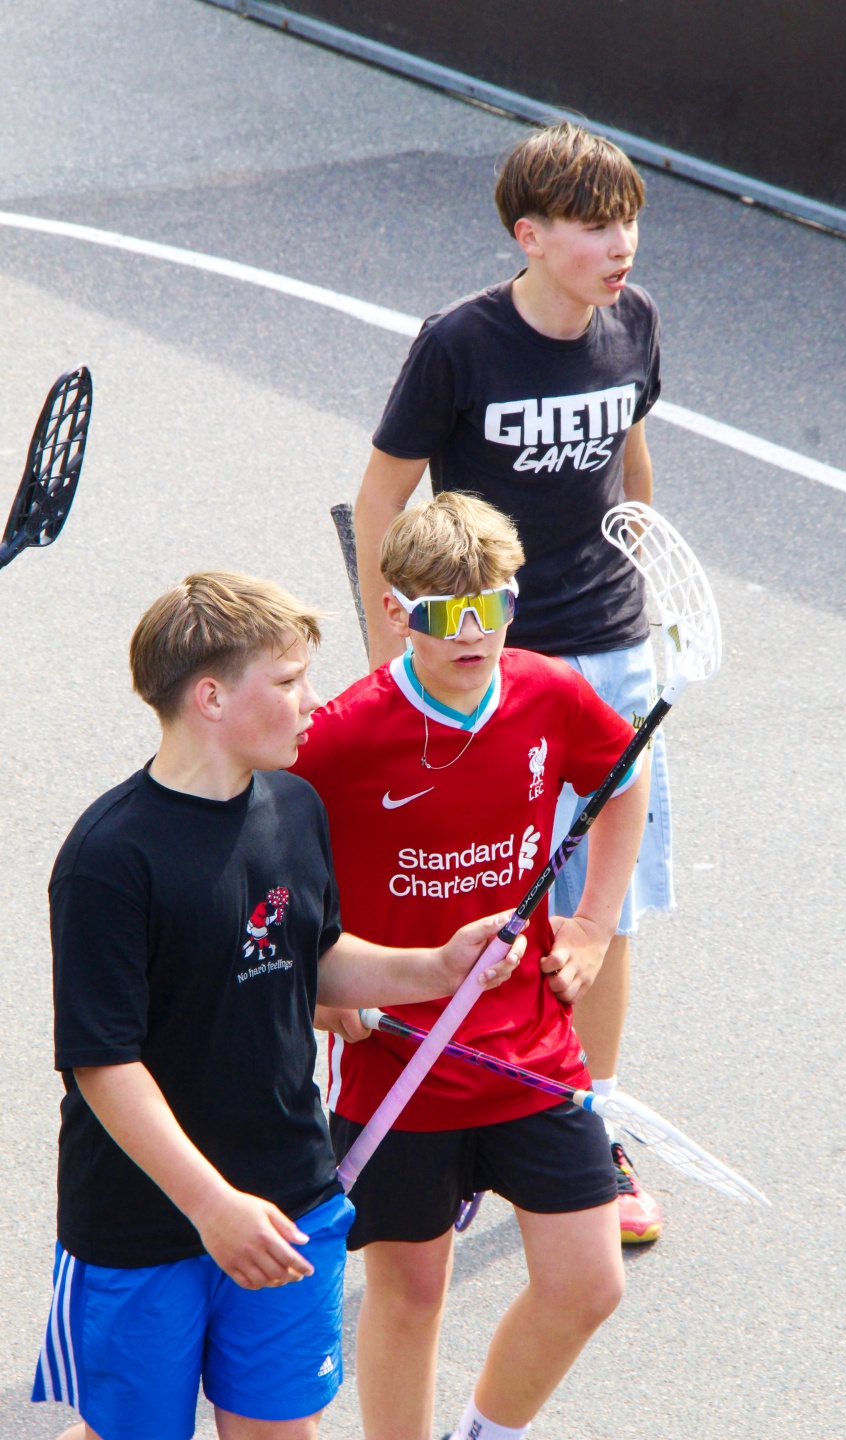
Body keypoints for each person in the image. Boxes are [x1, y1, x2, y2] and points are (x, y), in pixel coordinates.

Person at [33, 571, 522, 1440]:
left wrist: (438, 967)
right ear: (211, 698)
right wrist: (212, 1206)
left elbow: (316, 958)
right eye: (290, 680)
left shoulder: (294, 807)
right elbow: (105, 1065)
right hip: (145, 1221)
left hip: (292, 1197)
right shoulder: (109, 859)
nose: (313, 702)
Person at [352, 118, 673, 1243]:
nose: (618, 245)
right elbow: (383, 495)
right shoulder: (461, 344)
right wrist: (391, 654)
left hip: (614, 644)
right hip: (489, 653)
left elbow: (630, 454)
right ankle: (457, 1122)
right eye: (593, 226)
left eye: (627, 222)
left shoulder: (634, 322)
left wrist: (648, 562)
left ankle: (590, 1122)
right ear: (530, 236)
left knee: (603, 908)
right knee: (475, 891)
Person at [296, 493, 648, 1440]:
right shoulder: (340, 735)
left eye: (493, 607)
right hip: (398, 1063)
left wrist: (593, 923)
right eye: (448, 613)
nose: (474, 633)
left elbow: (623, 781)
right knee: (410, 1294)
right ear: (396, 611)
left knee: (588, 1281)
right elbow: (264, 871)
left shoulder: (547, 693)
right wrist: (321, 990)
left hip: (530, 1050)